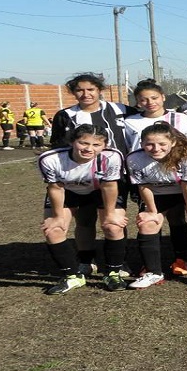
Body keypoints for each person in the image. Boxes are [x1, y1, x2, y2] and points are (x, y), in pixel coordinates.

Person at [50, 73, 137, 277]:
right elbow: (58, 146)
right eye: (80, 90)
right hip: (78, 177)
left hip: (115, 177)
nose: (85, 94)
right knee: (85, 220)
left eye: (90, 89)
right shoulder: (65, 115)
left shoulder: (121, 110)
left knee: (113, 219)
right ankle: (86, 260)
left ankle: (119, 262)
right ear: (73, 92)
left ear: (100, 90)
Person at [125, 79, 187, 277]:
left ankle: (180, 258)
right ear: (137, 101)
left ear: (163, 97)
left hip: (178, 176)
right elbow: (127, 146)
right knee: (150, 219)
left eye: (154, 97)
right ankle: (151, 265)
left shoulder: (181, 119)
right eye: (143, 99)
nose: (150, 102)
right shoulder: (129, 121)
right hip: (148, 177)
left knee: (178, 217)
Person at [37, 124, 129, 294]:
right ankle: (73, 276)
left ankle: (113, 273)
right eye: (83, 143)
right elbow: (56, 188)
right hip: (68, 191)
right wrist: (57, 217)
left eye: (96, 145)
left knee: (113, 226)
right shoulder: (50, 159)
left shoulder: (112, 157)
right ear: (72, 142)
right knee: (53, 230)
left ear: (105, 145)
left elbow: (109, 186)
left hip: (100, 190)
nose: (89, 149)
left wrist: (110, 214)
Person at [125, 123, 187, 289]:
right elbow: (144, 186)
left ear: (172, 143)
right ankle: (153, 272)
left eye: (162, 144)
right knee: (147, 223)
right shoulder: (134, 158)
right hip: (157, 193)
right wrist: (151, 211)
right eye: (149, 144)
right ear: (142, 143)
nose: (155, 148)